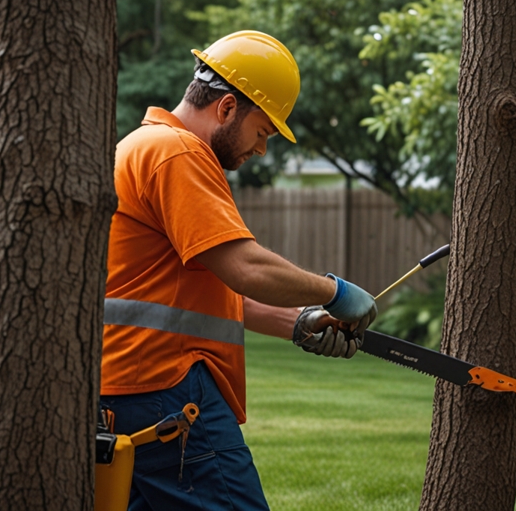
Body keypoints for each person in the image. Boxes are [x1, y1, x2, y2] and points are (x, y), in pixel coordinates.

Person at [100, 30, 375, 511]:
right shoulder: (179, 153)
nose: (261, 149)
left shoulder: (140, 147)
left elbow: (212, 293)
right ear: (227, 108)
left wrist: (300, 323)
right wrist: (334, 291)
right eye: (263, 132)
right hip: (168, 385)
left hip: (124, 388)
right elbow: (245, 267)